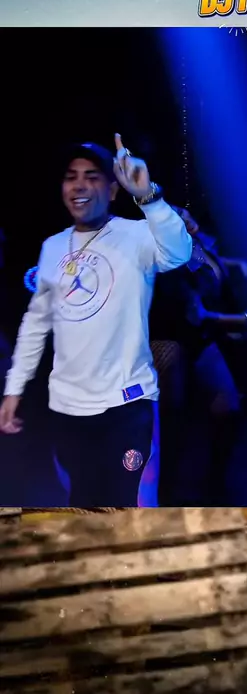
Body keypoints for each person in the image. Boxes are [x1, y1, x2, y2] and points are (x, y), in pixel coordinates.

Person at [0, 136, 192, 508]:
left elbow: (179, 252)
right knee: (81, 507)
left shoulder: (136, 235)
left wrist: (148, 196)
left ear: (113, 189)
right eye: (71, 177)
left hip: (127, 405)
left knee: (128, 508)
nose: (79, 185)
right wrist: (14, 389)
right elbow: (35, 325)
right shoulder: (53, 247)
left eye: (92, 176)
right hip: (67, 408)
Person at [150, 206, 247, 504]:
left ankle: (214, 486)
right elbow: (197, 317)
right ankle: (163, 495)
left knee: (228, 409)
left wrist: (235, 265)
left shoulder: (197, 247)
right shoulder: (170, 262)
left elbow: (210, 267)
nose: (184, 216)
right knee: (172, 426)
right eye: (174, 218)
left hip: (201, 343)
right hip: (171, 343)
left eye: (182, 211)